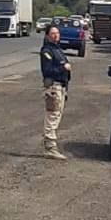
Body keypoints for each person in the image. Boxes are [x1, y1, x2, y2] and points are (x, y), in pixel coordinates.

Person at [40, 23, 72, 160]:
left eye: (57, 33)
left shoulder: (57, 50)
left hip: (61, 87)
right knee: (52, 116)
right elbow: (47, 71)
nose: (56, 35)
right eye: (53, 33)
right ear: (47, 35)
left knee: (57, 116)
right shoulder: (46, 51)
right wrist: (63, 68)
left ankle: (51, 145)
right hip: (53, 88)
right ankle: (50, 147)